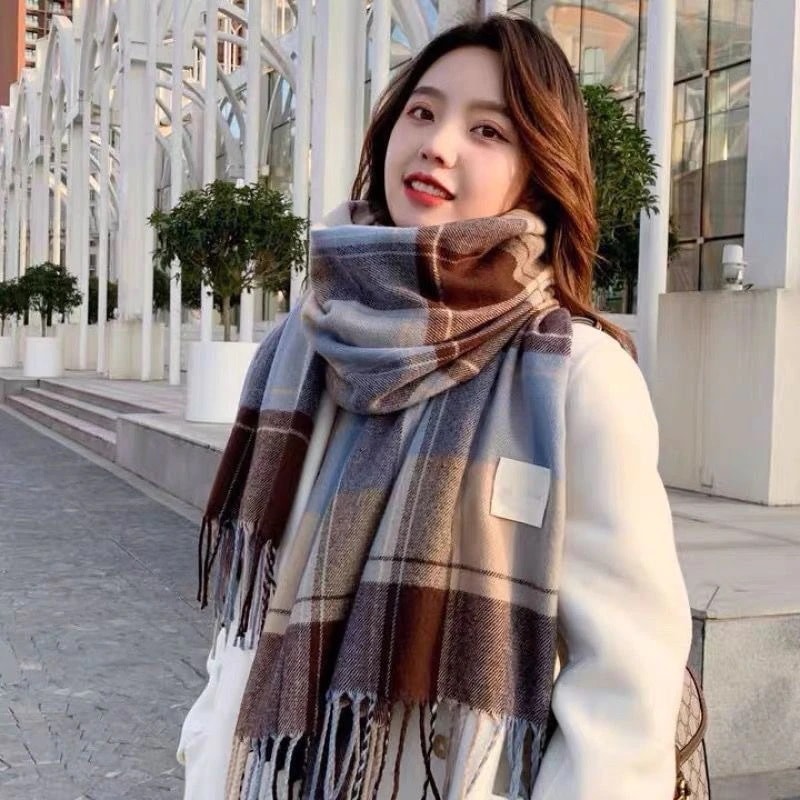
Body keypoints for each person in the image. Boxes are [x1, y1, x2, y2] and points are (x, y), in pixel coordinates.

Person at [177, 14, 692, 800]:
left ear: (538, 172)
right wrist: (205, 750)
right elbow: (248, 625)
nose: (438, 144)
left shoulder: (576, 378)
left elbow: (624, 693)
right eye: (422, 111)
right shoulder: (299, 348)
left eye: (488, 130)